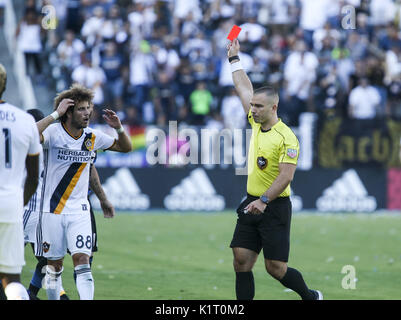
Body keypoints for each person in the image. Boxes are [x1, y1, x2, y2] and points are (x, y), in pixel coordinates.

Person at [227, 39, 322, 300]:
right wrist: (235, 60)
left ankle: (311, 296)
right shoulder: (256, 123)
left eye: (258, 106)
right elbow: (243, 87)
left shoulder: (287, 138)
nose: (253, 109)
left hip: (275, 206)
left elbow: (286, 176)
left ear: (273, 108)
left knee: (275, 268)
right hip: (252, 201)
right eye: (253, 105)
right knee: (241, 260)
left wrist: (264, 201)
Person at [35, 83, 131, 300]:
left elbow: (126, 148)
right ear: (67, 112)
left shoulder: (92, 137)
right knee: (53, 265)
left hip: (79, 211)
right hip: (51, 211)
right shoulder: (53, 132)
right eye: (81, 109)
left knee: (82, 260)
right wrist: (54, 114)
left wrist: (118, 128)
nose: (87, 113)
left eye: (88, 108)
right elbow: (30, 134)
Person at [0, 63, 40, 300]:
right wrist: (19, 205)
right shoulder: (25, 120)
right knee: (12, 280)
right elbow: (33, 177)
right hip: (11, 205)